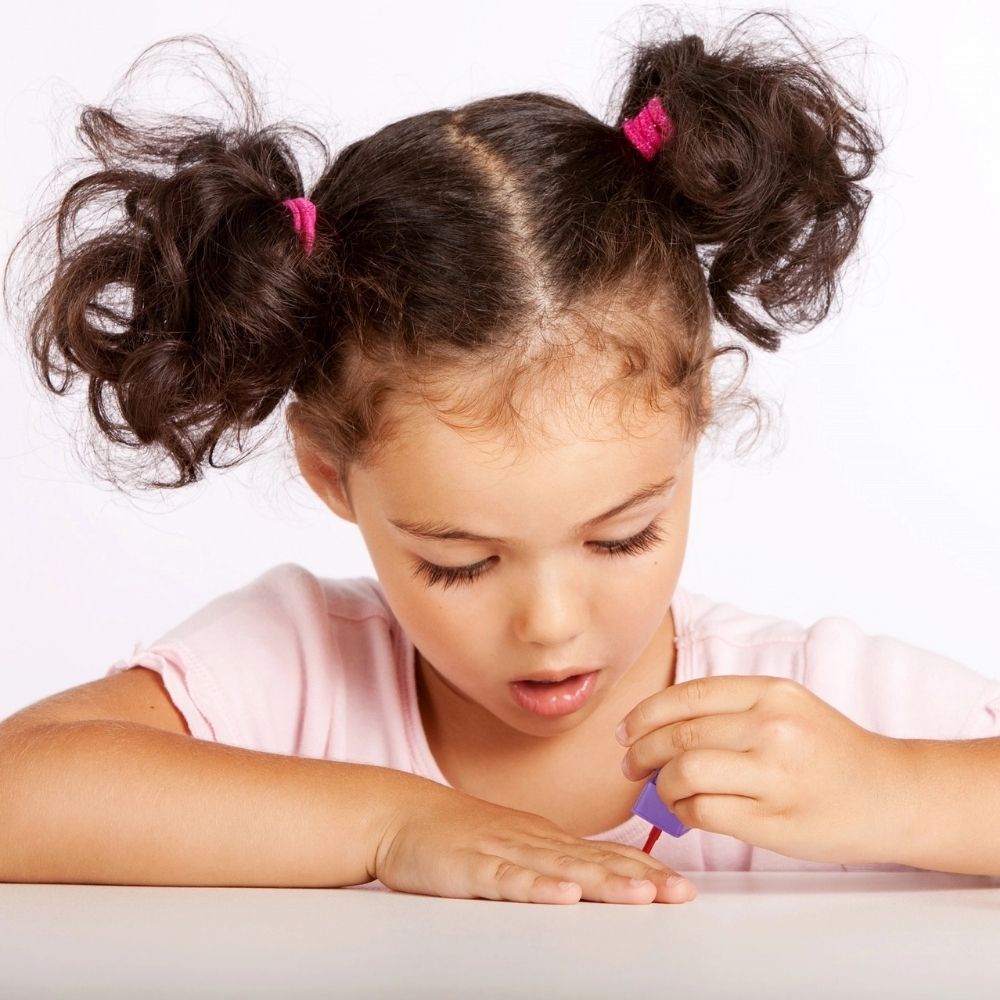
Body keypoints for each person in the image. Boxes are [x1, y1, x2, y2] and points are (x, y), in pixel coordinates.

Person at [2, 9, 998, 906]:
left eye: (622, 536)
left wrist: (893, 788)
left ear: (694, 422)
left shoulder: (797, 709)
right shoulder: (303, 671)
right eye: (459, 561)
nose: (550, 624)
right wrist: (392, 824)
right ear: (328, 474)